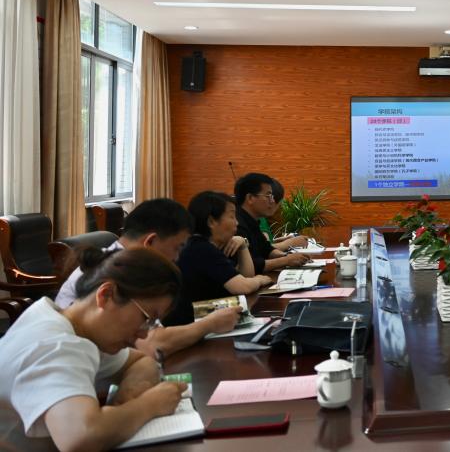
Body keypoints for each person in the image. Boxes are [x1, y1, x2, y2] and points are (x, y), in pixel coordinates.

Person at [0, 248, 188, 451]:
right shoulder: (56, 344)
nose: (144, 334)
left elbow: (142, 361)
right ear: (106, 295)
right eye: (147, 318)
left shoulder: (68, 325)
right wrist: (149, 405)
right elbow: (80, 437)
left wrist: (129, 393)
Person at [54, 198, 240, 355]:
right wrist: (210, 324)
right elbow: (152, 344)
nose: (176, 258)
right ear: (150, 242)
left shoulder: (125, 264)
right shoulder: (115, 272)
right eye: (177, 248)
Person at [165, 192, 274, 326]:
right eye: (232, 216)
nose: (237, 222)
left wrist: (243, 246)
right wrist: (261, 279)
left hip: (201, 316)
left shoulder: (206, 245)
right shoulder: (201, 248)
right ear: (211, 221)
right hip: (192, 322)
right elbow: (243, 286)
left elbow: (246, 276)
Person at [234, 172, 310, 273]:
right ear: (250, 198)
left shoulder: (252, 220)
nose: (272, 201)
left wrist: (289, 256)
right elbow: (251, 265)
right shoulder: (236, 224)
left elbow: (266, 250)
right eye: (268, 195)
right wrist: (286, 260)